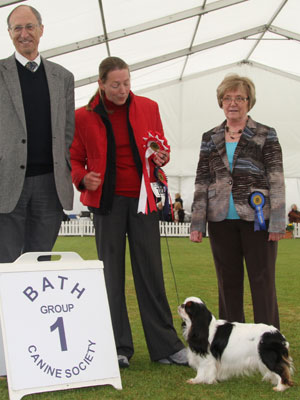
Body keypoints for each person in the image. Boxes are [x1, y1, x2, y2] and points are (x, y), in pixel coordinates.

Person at [70, 56, 187, 368]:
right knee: (110, 275)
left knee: (150, 272)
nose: (122, 90)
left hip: (143, 200)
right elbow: (73, 158)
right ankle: (117, 347)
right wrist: (82, 177)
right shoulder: (82, 116)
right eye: (115, 85)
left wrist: (162, 157)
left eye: (127, 83)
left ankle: (166, 347)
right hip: (106, 204)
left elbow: (161, 148)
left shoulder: (149, 107)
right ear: (101, 84)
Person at [190, 74, 285, 329]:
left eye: (239, 98)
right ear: (221, 101)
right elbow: (202, 180)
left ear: (249, 102)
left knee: (262, 282)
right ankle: (232, 345)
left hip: (258, 221)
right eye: (227, 98)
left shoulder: (266, 134)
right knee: (228, 284)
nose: (233, 103)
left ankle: (269, 343)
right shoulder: (209, 137)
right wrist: (197, 222)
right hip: (220, 221)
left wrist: (277, 222)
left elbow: (276, 179)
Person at [0, 5, 75, 263]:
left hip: (49, 186)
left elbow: (68, 132)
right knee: (5, 262)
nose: (24, 33)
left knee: (40, 261)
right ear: (8, 32)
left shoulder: (63, 77)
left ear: (41, 30)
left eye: (29, 26)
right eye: (17, 28)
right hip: (6, 184)